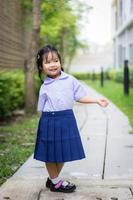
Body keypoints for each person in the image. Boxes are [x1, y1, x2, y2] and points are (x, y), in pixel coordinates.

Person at [34, 44, 108, 193]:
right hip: (49, 121)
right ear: (41, 67)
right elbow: (41, 109)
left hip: (67, 119)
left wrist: (96, 100)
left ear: (60, 62)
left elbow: (80, 96)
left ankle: (53, 179)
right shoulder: (44, 87)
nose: (52, 64)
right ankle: (56, 182)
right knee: (50, 153)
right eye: (47, 62)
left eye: (55, 60)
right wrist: (43, 125)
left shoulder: (70, 80)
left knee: (63, 151)